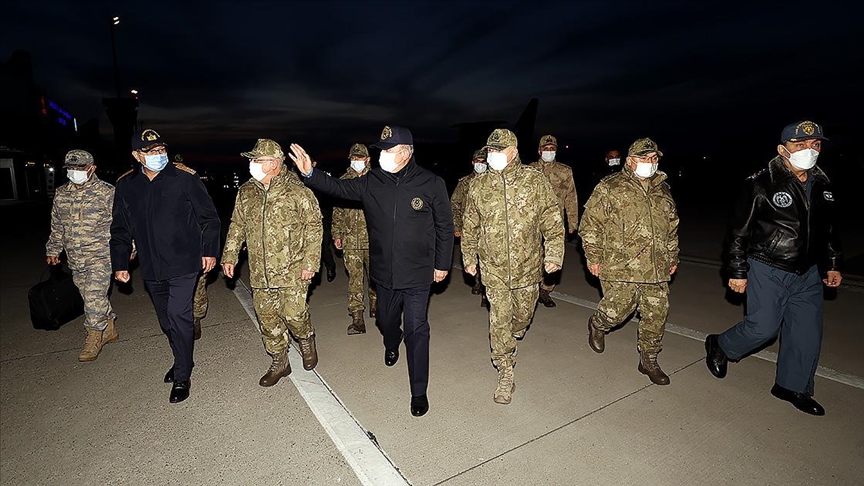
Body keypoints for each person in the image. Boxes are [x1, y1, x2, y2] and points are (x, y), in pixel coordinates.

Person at [289, 125, 453, 417]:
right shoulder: (371, 181)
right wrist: (310, 174)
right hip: (385, 273)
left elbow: (444, 226)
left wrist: (442, 264)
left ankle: (419, 391)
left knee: (418, 330)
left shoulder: (431, 183)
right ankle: (392, 341)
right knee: (387, 322)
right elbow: (338, 188)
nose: (382, 155)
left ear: (405, 152)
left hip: (418, 273)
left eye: (388, 150)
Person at [705, 121, 842, 416]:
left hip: (807, 271)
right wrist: (738, 271)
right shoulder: (761, 183)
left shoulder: (823, 184)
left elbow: (828, 230)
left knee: (807, 333)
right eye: (800, 145)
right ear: (783, 149)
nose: (809, 150)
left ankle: (793, 387)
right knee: (763, 328)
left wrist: (832, 263)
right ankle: (721, 345)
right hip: (768, 265)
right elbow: (739, 232)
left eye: (815, 144)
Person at [110, 128, 221, 404]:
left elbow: (209, 218)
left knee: (179, 315)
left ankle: (183, 374)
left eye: (161, 150)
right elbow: (121, 228)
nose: (159, 155)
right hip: (151, 265)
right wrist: (120, 262)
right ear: (137, 156)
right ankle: (181, 357)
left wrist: (209, 251)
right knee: (166, 320)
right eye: (151, 152)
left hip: (184, 262)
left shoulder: (184, 178)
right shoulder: (126, 186)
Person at [461, 129, 564, 404]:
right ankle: (505, 371)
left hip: (528, 267)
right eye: (490, 151)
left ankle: (513, 333)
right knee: (499, 320)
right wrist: (469, 258)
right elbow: (470, 226)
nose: (492, 156)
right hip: (493, 268)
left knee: (523, 316)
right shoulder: (479, 186)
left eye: (498, 151)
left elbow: (552, 221)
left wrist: (553, 255)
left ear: (514, 151)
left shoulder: (535, 181)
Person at [221, 139, 322, 386]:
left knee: (294, 314)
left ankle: (306, 337)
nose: (252, 164)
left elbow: (314, 225)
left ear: (275, 163)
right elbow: (238, 225)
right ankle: (280, 361)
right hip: (260, 270)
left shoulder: (298, 191)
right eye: (252, 160)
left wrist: (310, 262)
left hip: (293, 269)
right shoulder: (246, 192)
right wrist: (230, 255)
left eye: (258, 160)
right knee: (267, 319)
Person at [579, 137, 679, 385]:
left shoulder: (663, 190)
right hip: (620, 265)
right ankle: (598, 324)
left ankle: (649, 360)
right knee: (618, 311)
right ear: (630, 161)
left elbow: (672, 227)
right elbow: (590, 225)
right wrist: (593, 257)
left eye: (654, 159)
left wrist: (672, 256)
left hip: (656, 266)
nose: (650, 163)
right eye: (644, 159)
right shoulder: (610, 187)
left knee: (657, 314)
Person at [45, 149, 118, 361]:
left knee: (94, 298)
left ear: (92, 168)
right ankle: (110, 327)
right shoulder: (61, 193)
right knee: (90, 296)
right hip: (75, 257)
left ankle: (94, 336)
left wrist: (129, 248)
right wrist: (53, 249)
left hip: (101, 256)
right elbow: (57, 225)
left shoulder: (107, 192)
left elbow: (122, 224)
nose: (75, 172)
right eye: (71, 168)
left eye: (80, 168)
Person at [332, 143, 377, 334]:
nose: (356, 161)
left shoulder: (377, 180)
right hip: (351, 240)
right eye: (353, 158)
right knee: (355, 279)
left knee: (376, 277)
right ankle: (357, 318)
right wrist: (336, 233)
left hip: (375, 239)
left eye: (360, 158)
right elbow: (338, 210)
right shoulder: (344, 181)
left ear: (368, 159)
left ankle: (376, 305)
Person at [529, 134, 579, 308]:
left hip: (555, 222)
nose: (549, 152)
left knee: (554, 256)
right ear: (539, 150)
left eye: (552, 149)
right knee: (533, 254)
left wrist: (572, 222)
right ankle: (532, 287)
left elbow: (571, 198)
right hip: (532, 221)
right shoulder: (530, 170)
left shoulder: (565, 171)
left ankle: (546, 290)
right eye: (546, 149)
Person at [450, 148, 489, 307]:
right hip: (470, 228)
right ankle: (478, 281)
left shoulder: (493, 181)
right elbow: (455, 204)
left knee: (488, 258)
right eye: (477, 161)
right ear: (473, 163)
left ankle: (486, 291)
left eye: (483, 161)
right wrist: (457, 225)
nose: (480, 164)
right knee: (474, 257)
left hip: (489, 228)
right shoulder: (465, 182)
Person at [176, 154, 207, 340]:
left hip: (194, 246)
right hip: (169, 249)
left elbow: (207, 218)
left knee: (197, 286)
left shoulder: (193, 183)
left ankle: (195, 318)